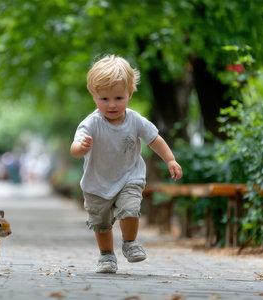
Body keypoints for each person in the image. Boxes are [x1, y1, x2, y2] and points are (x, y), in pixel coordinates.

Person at [70, 54, 183, 273]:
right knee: (101, 223)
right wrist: (80, 148)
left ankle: (130, 243)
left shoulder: (135, 120)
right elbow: (74, 148)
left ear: (129, 94)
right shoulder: (91, 123)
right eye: (104, 99)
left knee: (130, 209)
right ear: (94, 97)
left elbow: (154, 139)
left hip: (129, 178)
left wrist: (170, 159)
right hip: (97, 183)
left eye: (118, 98)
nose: (111, 105)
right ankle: (106, 256)